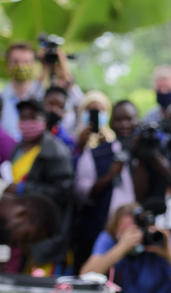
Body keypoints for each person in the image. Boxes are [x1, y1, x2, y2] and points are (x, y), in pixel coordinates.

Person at [6, 99, 73, 270]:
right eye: (23, 118)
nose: (27, 122)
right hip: (18, 231)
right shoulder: (18, 148)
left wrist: (22, 189)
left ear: (43, 120)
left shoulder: (56, 151)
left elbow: (63, 191)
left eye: (32, 117)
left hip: (43, 235)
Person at [73, 98, 138, 269]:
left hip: (137, 236)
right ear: (111, 122)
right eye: (119, 119)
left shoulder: (146, 154)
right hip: (100, 231)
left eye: (129, 119)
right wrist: (109, 176)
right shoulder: (96, 154)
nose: (125, 125)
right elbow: (82, 195)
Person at [1, 42, 82, 140]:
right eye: (16, 61)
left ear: (33, 65)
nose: (21, 66)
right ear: (7, 65)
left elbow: (81, 107)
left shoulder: (46, 97)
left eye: (26, 62)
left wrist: (64, 71)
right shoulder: (2, 98)